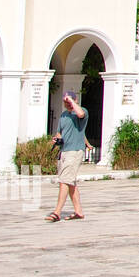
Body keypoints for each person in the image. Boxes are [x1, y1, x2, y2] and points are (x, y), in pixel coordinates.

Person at [47, 91, 91, 222]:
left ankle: (57, 212)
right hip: (64, 151)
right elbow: (60, 133)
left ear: (75, 100)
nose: (67, 104)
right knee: (70, 182)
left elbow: (81, 114)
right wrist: (56, 139)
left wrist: (72, 101)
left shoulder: (82, 112)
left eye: (69, 101)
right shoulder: (63, 115)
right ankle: (78, 212)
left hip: (75, 151)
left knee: (64, 181)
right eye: (65, 102)